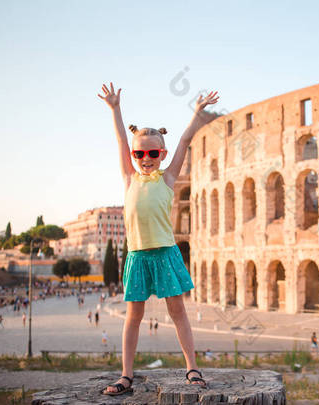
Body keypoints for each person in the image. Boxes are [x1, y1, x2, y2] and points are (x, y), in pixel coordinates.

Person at [98, 82, 218, 395]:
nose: (146, 157)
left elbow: (185, 139)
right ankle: (126, 375)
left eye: (153, 152)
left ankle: (192, 367)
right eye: (141, 153)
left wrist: (196, 114)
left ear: (161, 154)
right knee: (133, 317)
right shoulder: (129, 178)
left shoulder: (167, 178)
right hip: (138, 256)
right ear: (134, 155)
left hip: (165, 253)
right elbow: (121, 140)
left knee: (177, 312)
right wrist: (115, 109)